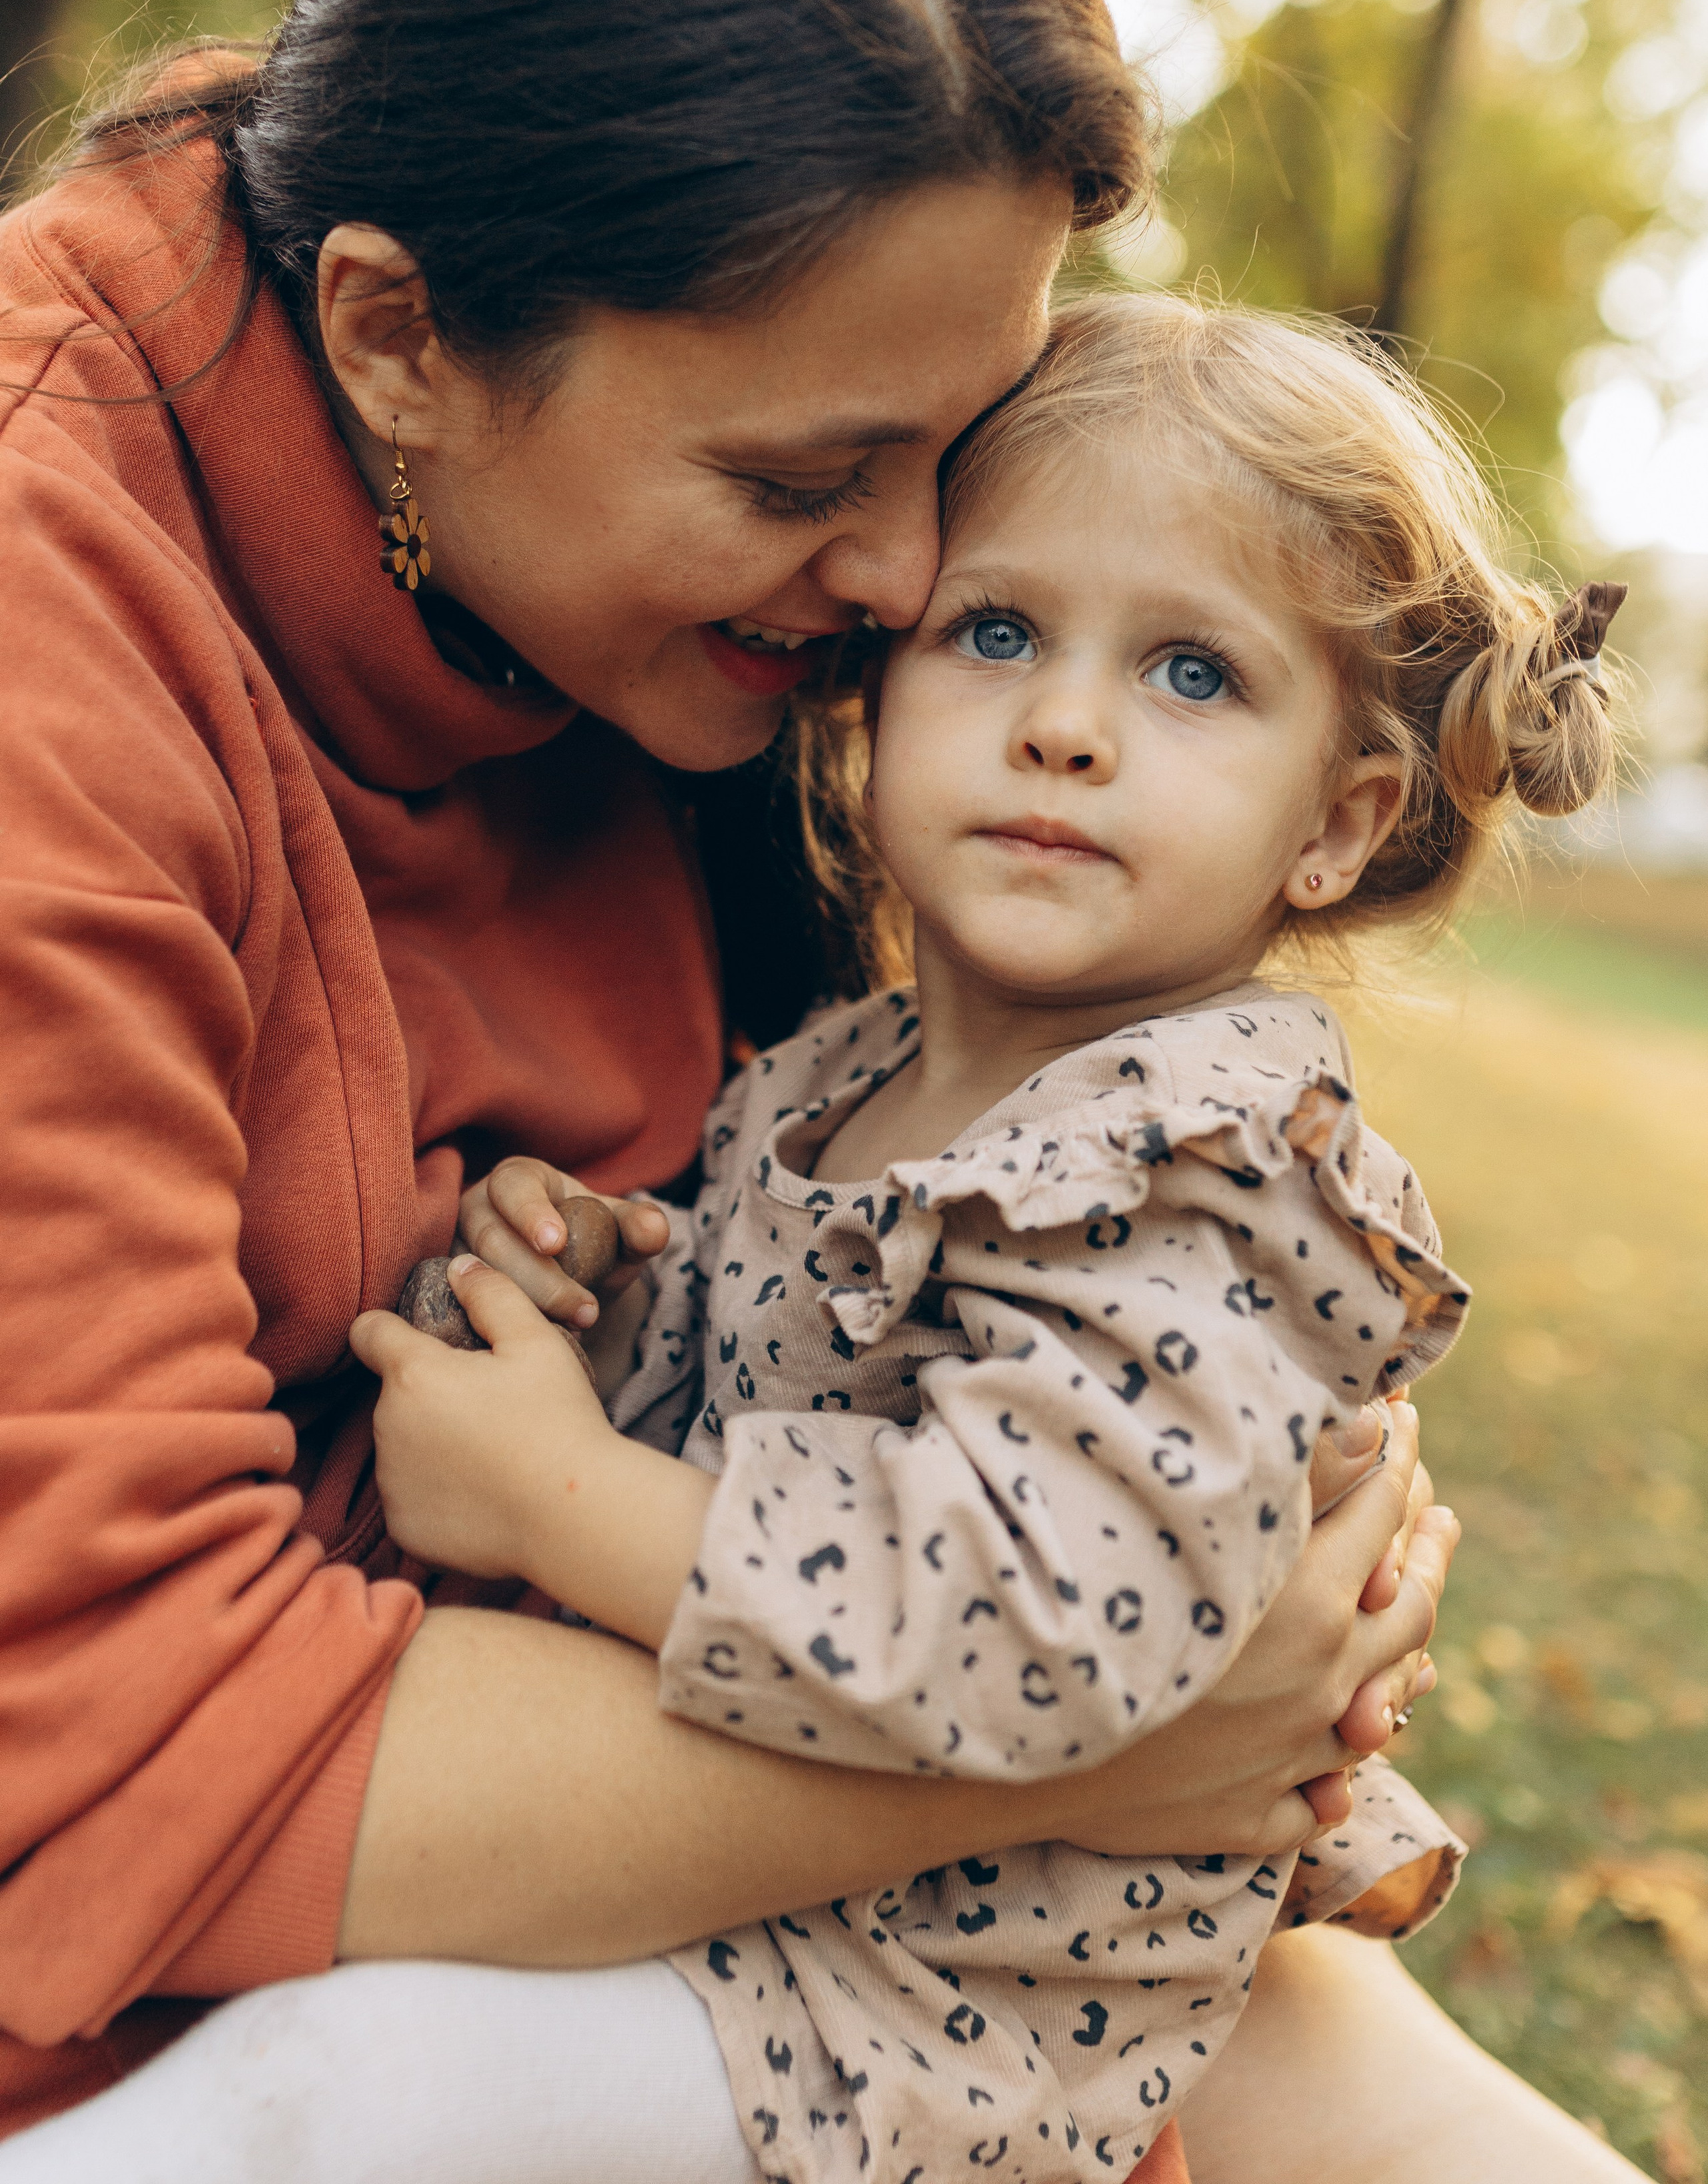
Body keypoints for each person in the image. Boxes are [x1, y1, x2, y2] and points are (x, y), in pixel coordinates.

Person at [0, 0, 1630, 2184]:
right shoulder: (61, 633)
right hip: (302, 1959)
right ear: (397, 336)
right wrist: (1114, 1753)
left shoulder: (654, 606)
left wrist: (1244, 1585)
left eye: (951, 457)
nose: (901, 590)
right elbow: (110, 1761)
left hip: (810, 1903)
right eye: (806, 480)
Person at [340, 292, 1621, 2184]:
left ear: (1339, 824)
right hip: (792, 1899)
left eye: (1195, 674)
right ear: (873, 698)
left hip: (956, 2009)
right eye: (998, 632)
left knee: (340, 2089)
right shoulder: (840, 1076)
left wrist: (549, 1499)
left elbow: (1006, 1621)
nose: (1067, 728)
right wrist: (598, 1301)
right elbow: (766, 1398)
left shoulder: (1202, 1176)